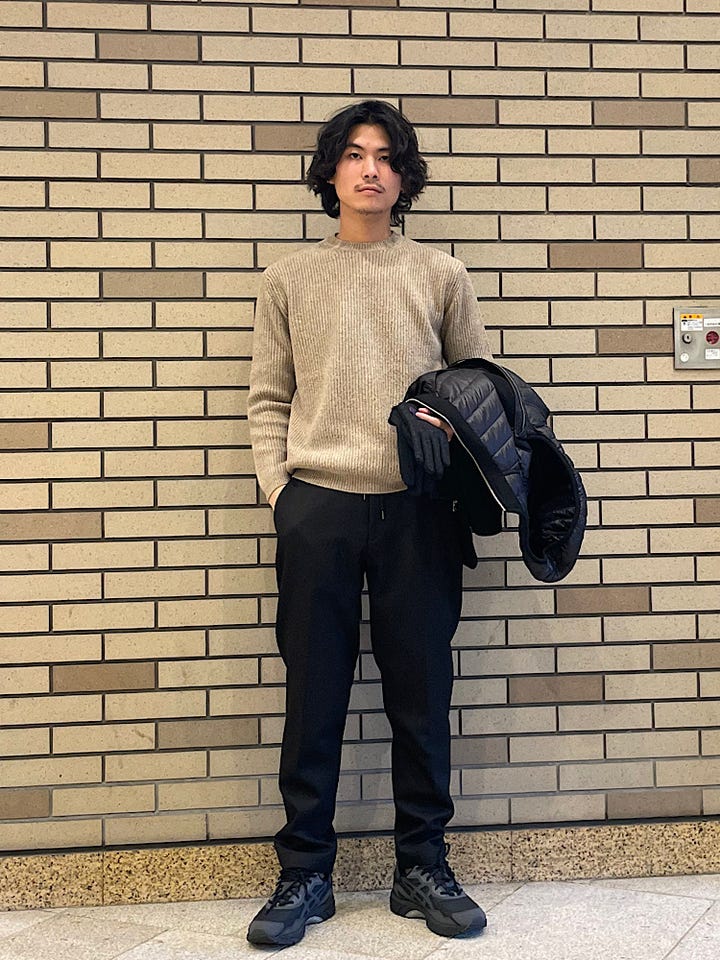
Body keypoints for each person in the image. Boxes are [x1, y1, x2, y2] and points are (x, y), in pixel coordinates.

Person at [246, 100, 493, 947]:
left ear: (404, 176)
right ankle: (304, 875)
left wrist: (445, 433)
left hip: (418, 513)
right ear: (331, 172)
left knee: (420, 695)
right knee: (313, 694)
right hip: (317, 506)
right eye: (354, 154)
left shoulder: (441, 274)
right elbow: (268, 398)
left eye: (386, 157)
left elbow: (477, 391)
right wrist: (281, 494)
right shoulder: (288, 279)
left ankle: (421, 866)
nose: (370, 169)